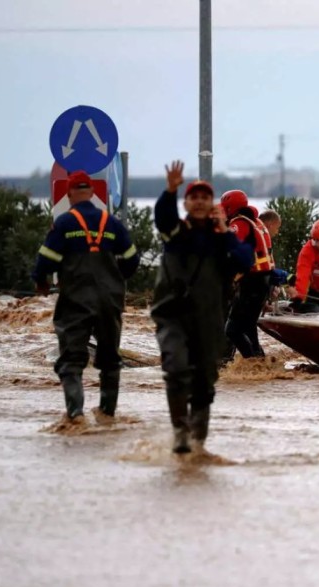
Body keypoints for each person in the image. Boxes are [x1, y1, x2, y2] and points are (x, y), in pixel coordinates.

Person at [151, 162, 253, 454]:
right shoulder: (175, 232)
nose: (198, 202)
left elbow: (245, 260)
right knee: (176, 367)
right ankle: (180, 431)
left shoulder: (221, 240)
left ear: (212, 205)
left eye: (204, 198)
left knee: (205, 379)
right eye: (193, 197)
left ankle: (199, 441)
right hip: (173, 316)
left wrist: (225, 231)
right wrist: (170, 190)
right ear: (186, 203)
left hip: (208, 319)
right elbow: (162, 217)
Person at [31, 170, 140, 424]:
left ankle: (76, 415)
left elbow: (45, 261)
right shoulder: (112, 224)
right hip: (109, 301)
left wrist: (41, 282)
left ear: (69, 195)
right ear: (91, 193)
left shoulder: (65, 224)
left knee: (71, 360)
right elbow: (132, 260)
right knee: (110, 361)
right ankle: (107, 414)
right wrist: (116, 279)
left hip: (75, 300)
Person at [221, 190, 273, 359]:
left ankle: (252, 364)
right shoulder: (255, 222)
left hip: (252, 283)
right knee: (249, 327)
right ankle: (260, 362)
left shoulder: (239, 224)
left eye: (225, 208)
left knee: (232, 329)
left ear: (231, 208)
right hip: (263, 281)